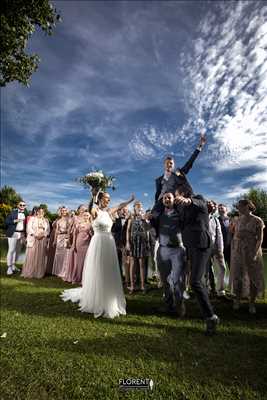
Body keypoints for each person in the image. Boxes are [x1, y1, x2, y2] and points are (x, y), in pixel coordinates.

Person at [61, 192, 135, 318]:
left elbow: (120, 205)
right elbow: (90, 207)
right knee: (98, 269)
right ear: (100, 199)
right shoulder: (95, 211)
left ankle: (110, 297)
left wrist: (130, 200)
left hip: (109, 243)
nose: (108, 201)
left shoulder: (109, 211)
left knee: (108, 270)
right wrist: (93, 195)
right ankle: (97, 298)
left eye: (109, 199)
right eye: (106, 198)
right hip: (98, 242)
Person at [175, 186, 219, 335]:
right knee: (198, 281)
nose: (176, 198)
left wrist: (188, 200)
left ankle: (211, 317)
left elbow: (199, 204)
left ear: (183, 193)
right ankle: (209, 312)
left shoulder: (198, 199)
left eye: (177, 195)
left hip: (202, 245)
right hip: (190, 246)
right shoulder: (181, 209)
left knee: (194, 281)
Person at [151, 193, 186, 316]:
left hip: (177, 250)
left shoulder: (181, 214)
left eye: (169, 197)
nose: (166, 199)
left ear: (173, 200)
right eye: (165, 198)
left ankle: (179, 305)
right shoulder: (159, 216)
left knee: (177, 280)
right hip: (163, 250)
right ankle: (168, 305)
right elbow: (151, 228)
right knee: (165, 280)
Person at [153, 133, 206, 213]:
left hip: (177, 202)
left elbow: (190, 162)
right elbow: (157, 194)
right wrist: (156, 205)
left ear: (173, 165)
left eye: (171, 163)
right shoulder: (159, 180)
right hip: (162, 203)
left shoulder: (179, 173)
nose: (169, 164)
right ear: (164, 165)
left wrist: (200, 146)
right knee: (153, 215)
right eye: (167, 163)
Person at [229, 199, 265, 314]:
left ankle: (252, 303)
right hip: (238, 251)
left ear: (247, 206)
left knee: (252, 277)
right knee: (237, 276)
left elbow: (260, 239)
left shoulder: (257, 220)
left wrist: (255, 253)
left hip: (251, 250)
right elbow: (235, 235)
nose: (238, 208)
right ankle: (237, 300)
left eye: (239, 206)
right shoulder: (237, 220)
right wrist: (234, 249)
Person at [126, 201, 150, 294]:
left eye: (140, 206)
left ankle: (143, 286)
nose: (139, 208)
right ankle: (132, 286)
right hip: (133, 242)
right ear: (134, 208)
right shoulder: (131, 218)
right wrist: (128, 242)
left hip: (142, 242)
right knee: (132, 265)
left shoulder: (144, 218)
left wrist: (144, 219)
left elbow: (147, 229)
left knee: (142, 265)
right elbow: (128, 230)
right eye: (137, 206)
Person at [21, 207, 50, 279]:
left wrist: (43, 235)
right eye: (40, 212)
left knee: (40, 256)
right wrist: (35, 235)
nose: (41, 213)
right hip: (34, 238)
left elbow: (48, 230)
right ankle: (30, 272)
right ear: (37, 212)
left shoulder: (46, 220)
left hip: (42, 239)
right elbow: (29, 228)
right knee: (32, 255)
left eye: (43, 212)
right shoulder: (32, 219)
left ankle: (39, 273)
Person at [206, 200, 227, 297]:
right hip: (203, 249)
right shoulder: (199, 217)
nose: (213, 207)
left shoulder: (215, 220)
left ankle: (220, 291)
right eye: (210, 205)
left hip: (216, 248)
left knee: (222, 269)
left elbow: (220, 236)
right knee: (206, 271)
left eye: (214, 206)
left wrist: (220, 250)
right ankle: (207, 290)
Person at [5, 200, 28, 275]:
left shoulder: (26, 213)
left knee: (17, 251)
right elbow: (6, 222)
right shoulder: (13, 212)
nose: (22, 206)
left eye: (23, 205)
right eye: (21, 205)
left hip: (21, 234)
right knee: (11, 250)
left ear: (25, 206)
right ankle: (9, 267)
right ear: (18, 205)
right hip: (13, 233)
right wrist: (15, 220)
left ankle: (13, 265)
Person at [71, 210, 93, 284]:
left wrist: (90, 233)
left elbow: (93, 235)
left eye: (87, 215)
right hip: (79, 242)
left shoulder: (91, 225)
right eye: (84, 215)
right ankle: (77, 278)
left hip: (87, 243)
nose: (86, 217)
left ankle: (85, 279)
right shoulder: (79, 224)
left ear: (89, 216)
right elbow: (75, 234)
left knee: (86, 261)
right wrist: (74, 245)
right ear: (82, 216)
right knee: (79, 261)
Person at [52, 207, 71, 277]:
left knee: (65, 255)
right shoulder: (58, 220)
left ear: (67, 211)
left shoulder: (69, 219)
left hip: (65, 237)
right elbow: (56, 231)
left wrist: (68, 239)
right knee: (58, 254)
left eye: (65, 210)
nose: (64, 212)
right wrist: (54, 240)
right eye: (62, 210)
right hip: (59, 238)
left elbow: (69, 230)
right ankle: (58, 271)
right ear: (61, 212)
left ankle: (64, 271)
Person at [218, 204, 232, 269]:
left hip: (231, 248)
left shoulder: (232, 220)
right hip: (220, 249)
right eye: (219, 209)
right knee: (221, 270)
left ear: (226, 210)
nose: (220, 210)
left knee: (232, 269)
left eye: (222, 208)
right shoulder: (215, 220)